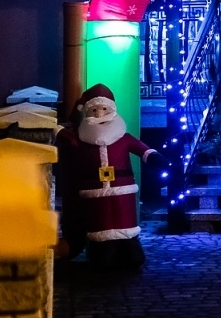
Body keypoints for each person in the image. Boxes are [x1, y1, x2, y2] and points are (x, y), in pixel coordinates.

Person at [54, 84, 156, 270]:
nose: (99, 114)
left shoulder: (123, 137)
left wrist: (153, 156)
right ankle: (102, 250)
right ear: (86, 111)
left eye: (103, 109)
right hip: (94, 191)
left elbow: (140, 148)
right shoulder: (82, 139)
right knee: (101, 225)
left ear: (111, 109)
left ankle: (130, 246)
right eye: (94, 110)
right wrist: (54, 128)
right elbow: (64, 136)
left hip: (122, 190)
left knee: (126, 225)